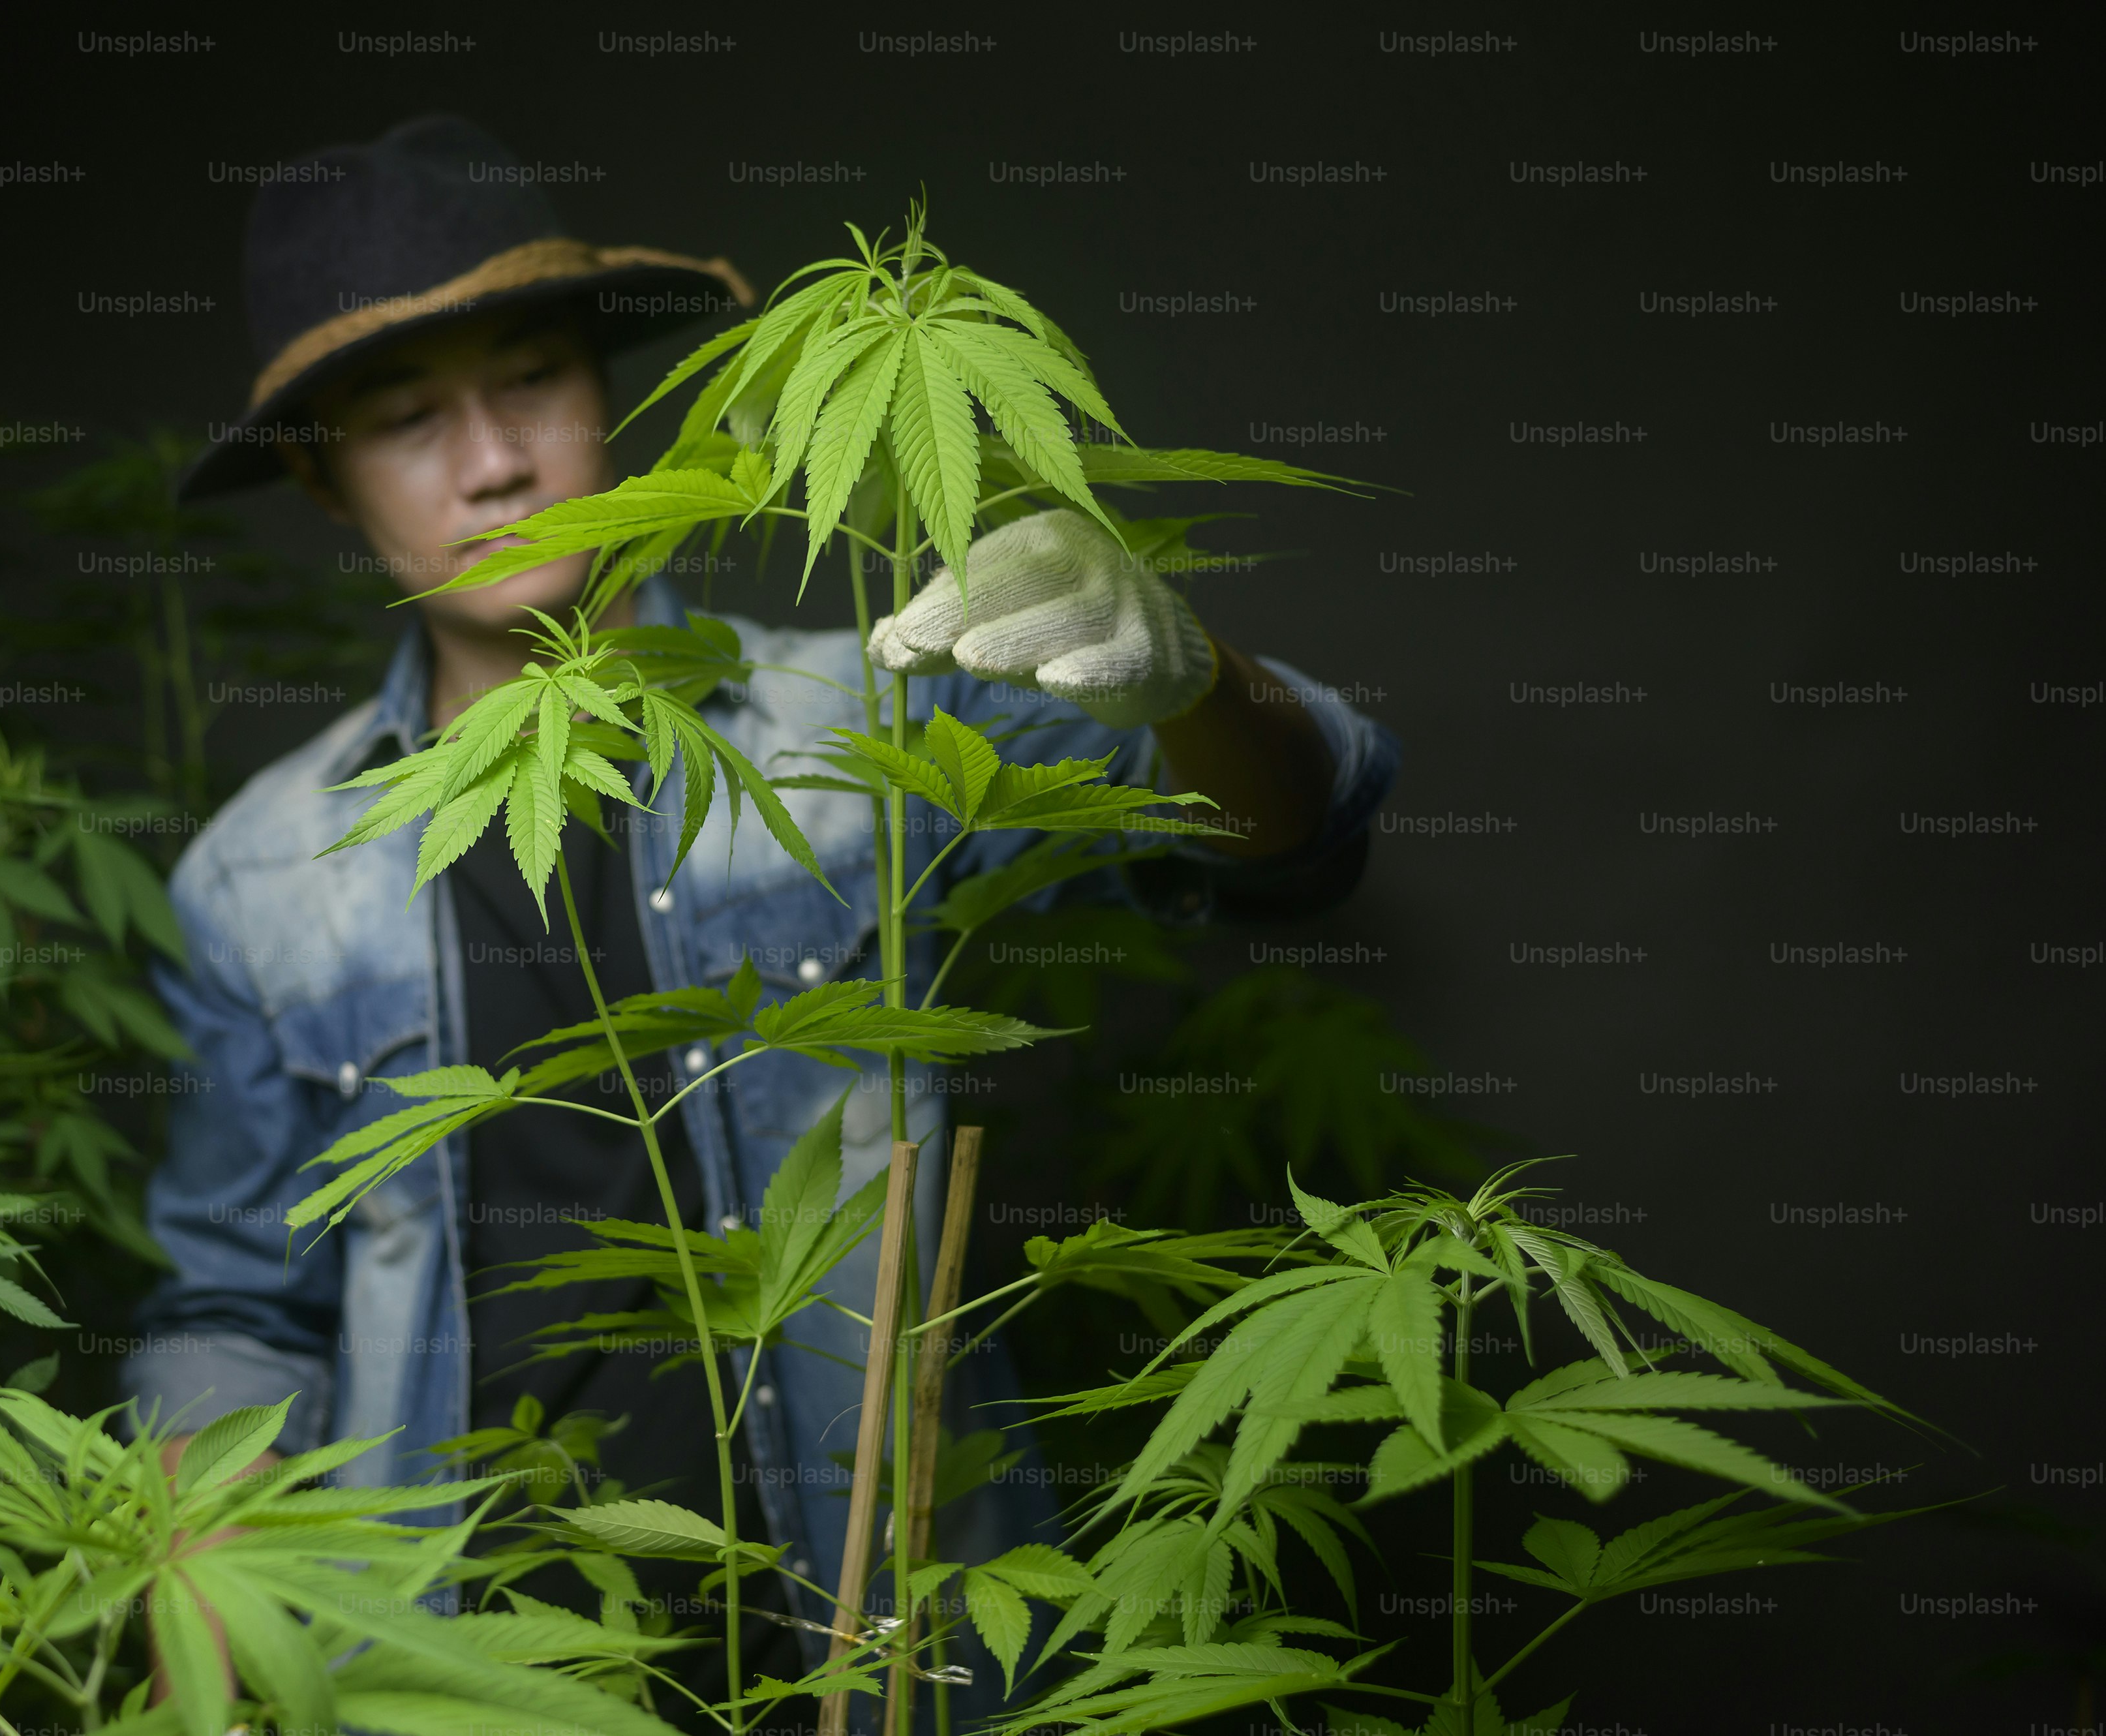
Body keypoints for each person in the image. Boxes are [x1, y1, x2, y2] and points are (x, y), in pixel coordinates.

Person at [125, 114, 1400, 1723]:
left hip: (870, 1636)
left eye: (529, 379)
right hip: (459, 1665)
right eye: (404, 419)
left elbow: (1296, 829)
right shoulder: (260, 874)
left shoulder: (863, 711)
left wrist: (1196, 679)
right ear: (323, 478)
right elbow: (236, 1300)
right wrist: (202, 1572)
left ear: (608, 391)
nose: (494, 462)